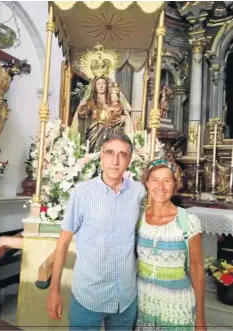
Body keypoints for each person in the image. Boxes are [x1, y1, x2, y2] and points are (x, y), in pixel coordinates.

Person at [47, 133, 146, 330]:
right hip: (89, 295)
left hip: (125, 297)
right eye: (110, 153)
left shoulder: (138, 192)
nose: (115, 161)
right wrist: (54, 290)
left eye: (122, 154)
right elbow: (63, 243)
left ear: (129, 160)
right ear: (101, 156)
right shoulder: (82, 193)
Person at [136, 159, 206, 331]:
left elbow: (197, 269)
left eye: (167, 181)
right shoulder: (139, 219)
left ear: (175, 184)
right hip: (144, 304)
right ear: (146, 183)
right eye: (155, 180)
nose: (160, 187)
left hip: (176, 305)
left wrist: (200, 318)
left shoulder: (187, 221)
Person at [71, 76, 133, 153]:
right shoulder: (91, 102)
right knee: (95, 152)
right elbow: (83, 116)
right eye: (98, 84)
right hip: (95, 133)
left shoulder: (113, 101)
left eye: (103, 83)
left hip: (112, 132)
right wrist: (81, 109)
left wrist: (124, 118)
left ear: (107, 85)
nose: (101, 86)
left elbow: (123, 113)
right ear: (94, 86)